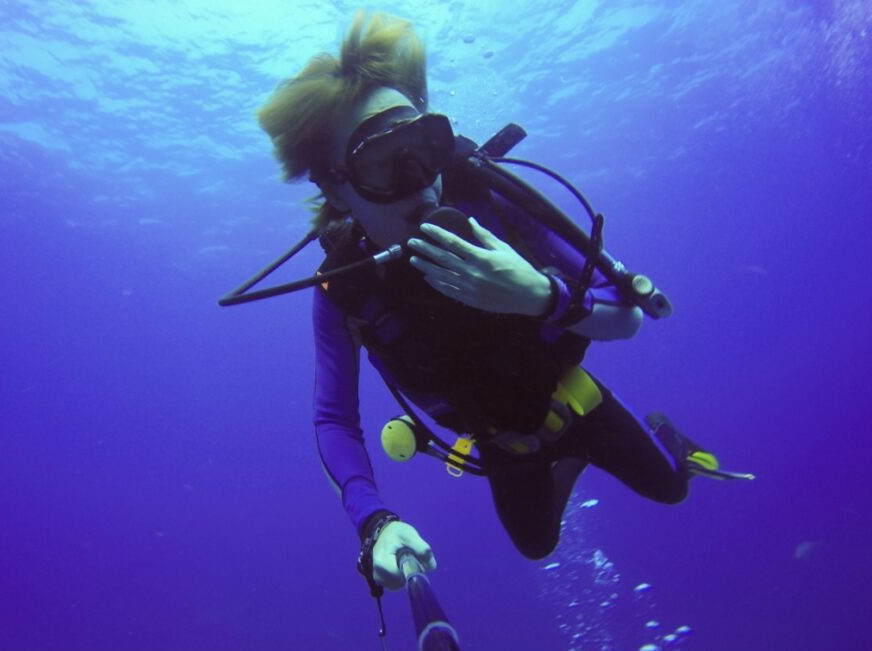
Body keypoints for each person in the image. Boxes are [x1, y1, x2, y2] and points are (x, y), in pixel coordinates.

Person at [255, 12, 748, 594]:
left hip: (578, 401)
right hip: (499, 443)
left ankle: (668, 436)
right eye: (384, 163)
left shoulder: (490, 199)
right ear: (336, 186)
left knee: (671, 488)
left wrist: (540, 295)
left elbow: (629, 316)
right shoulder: (346, 289)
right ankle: (567, 461)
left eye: (426, 147)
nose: (420, 182)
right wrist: (375, 520)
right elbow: (334, 418)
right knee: (536, 545)